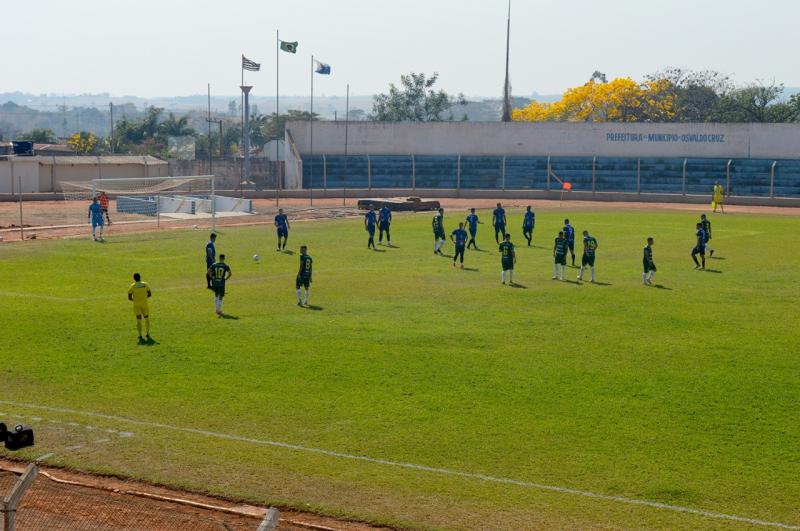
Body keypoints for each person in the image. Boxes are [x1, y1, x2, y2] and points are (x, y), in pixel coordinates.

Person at [127, 273, 152, 343]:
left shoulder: (132, 286)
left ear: (134, 278)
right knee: (146, 318)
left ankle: (140, 335)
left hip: (136, 305)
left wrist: (135, 300)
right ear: (140, 277)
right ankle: (147, 333)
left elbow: (129, 297)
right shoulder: (145, 284)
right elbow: (150, 294)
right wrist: (144, 299)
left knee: (138, 320)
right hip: (145, 304)